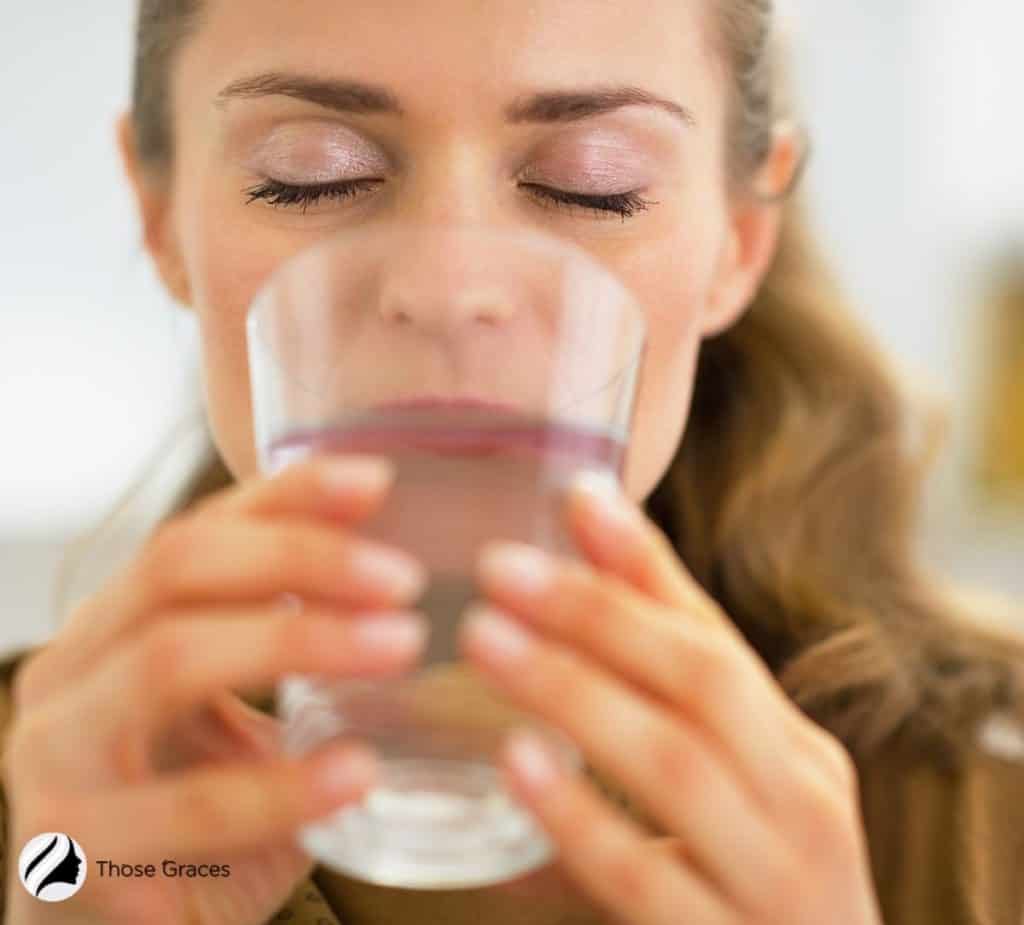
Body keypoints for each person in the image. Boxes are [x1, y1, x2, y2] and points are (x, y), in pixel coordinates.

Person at [2, 1, 1023, 923]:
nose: (452, 284)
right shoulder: (46, 819)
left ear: (739, 242)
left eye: (593, 186)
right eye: (312, 174)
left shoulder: (992, 806)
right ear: (159, 219)